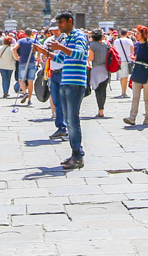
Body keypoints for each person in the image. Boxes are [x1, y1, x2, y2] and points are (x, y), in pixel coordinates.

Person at [45, 12, 87, 169]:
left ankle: (78, 155)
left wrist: (60, 47)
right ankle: (75, 152)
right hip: (66, 81)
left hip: (75, 83)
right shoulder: (67, 38)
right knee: (69, 121)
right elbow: (61, 59)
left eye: (61, 23)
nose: (59, 26)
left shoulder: (78, 36)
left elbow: (80, 54)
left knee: (73, 120)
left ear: (70, 21)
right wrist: (45, 52)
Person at [35, 24, 67, 141]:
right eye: (53, 30)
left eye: (57, 29)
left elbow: (63, 57)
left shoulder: (66, 39)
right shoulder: (49, 40)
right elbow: (44, 55)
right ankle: (61, 127)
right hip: (53, 72)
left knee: (66, 101)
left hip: (64, 72)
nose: (55, 32)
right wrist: (42, 53)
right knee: (56, 101)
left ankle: (68, 128)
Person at [124, 26, 148, 126]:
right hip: (137, 70)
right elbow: (138, 56)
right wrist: (134, 58)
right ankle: (132, 117)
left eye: (138, 33)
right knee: (135, 97)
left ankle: (147, 118)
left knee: (147, 97)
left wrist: (147, 33)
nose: (135, 35)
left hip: (146, 71)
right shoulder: (137, 44)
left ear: (143, 34)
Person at [88, 29, 110, 118]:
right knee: (103, 90)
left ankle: (100, 110)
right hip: (105, 69)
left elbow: (91, 58)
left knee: (98, 91)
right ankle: (102, 109)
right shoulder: (106, 45)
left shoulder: (92, 45)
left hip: (96, 69)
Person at [13, 29, 37, 105]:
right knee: (30, 81)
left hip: (23, 61)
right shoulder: (33, 41)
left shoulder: (21, 41)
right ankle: (29, 99)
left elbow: (14, 48)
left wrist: (16, 57)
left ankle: (24, 92)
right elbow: (41, 48)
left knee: (21, 79)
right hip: (32, 61)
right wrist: (38, 56)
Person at [115, 29, 134, 97]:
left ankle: (122, 91)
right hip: (127, 60)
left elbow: (114, 50)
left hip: (119, 60)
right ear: (127, 34)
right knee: (125, 76)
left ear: (120, 34)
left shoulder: (116, 41)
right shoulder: (129, 41)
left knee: (121, 76)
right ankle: (124, 92)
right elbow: (132, 51)